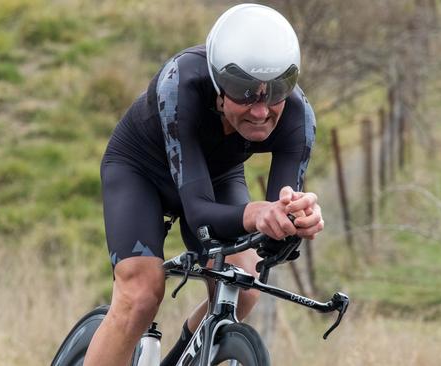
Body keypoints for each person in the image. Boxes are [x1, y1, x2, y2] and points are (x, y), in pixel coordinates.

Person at [84, 4, 323, 365]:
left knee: (243, 286)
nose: (261, 111)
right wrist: (258, 212)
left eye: (276, 90)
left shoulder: (296, 116)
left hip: (215, 175)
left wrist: (295, 221)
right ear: (217, 85)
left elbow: (275, 227)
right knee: (141, 294)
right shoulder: (181, 84)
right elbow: (199, 214)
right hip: (141, 171)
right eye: (244, 92)